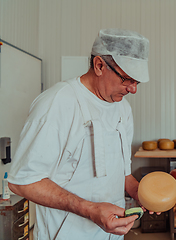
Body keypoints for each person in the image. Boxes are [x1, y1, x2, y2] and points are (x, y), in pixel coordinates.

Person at [8, 29, 150, 240]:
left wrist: (138, 190)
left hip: (112, 234)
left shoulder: (122, 109)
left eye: (137, 82)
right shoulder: (58, 103)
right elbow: (22, 181)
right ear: (99, 65)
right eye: (127, 79)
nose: (133, 89)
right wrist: (89, 209)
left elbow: (121, 174)